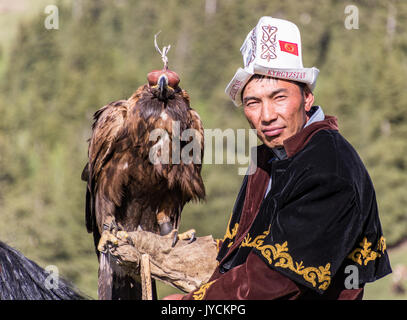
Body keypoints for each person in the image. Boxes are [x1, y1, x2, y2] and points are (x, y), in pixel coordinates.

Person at [164, 16, 391, 300]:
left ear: (307, 97)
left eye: (279, 97)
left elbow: (276, 280)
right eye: (253, 102)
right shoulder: (270, 159)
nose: (267, 115)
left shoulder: (329, 170)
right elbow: (240, 253)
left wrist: (192, 303)